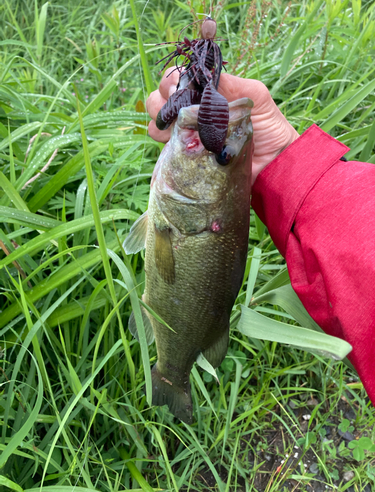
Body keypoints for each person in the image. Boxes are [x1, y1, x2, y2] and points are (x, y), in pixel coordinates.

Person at [146, 71, 375, 407]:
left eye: (222, 156)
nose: (214, 147)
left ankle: (170, 373)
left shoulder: (175, 221)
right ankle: (172, 373)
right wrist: (285, 156)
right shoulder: (182, 217)